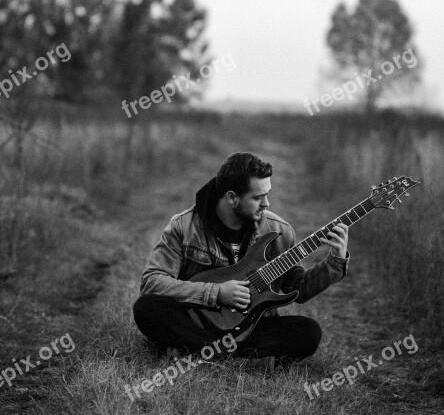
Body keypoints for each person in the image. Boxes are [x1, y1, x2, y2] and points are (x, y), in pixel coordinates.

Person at [133, 152, 349, 371]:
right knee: (147, 308)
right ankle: (233, 359)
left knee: (308, 332)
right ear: (231, 197)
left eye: (267, 194)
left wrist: (335, 262)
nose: (267, 203)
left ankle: (202, 355)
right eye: (257, 198)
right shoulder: (184, 226)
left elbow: (298, 289)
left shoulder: (278, 231)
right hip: (197, 321)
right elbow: (152, 282)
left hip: (250, 327)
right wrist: (216, 293)